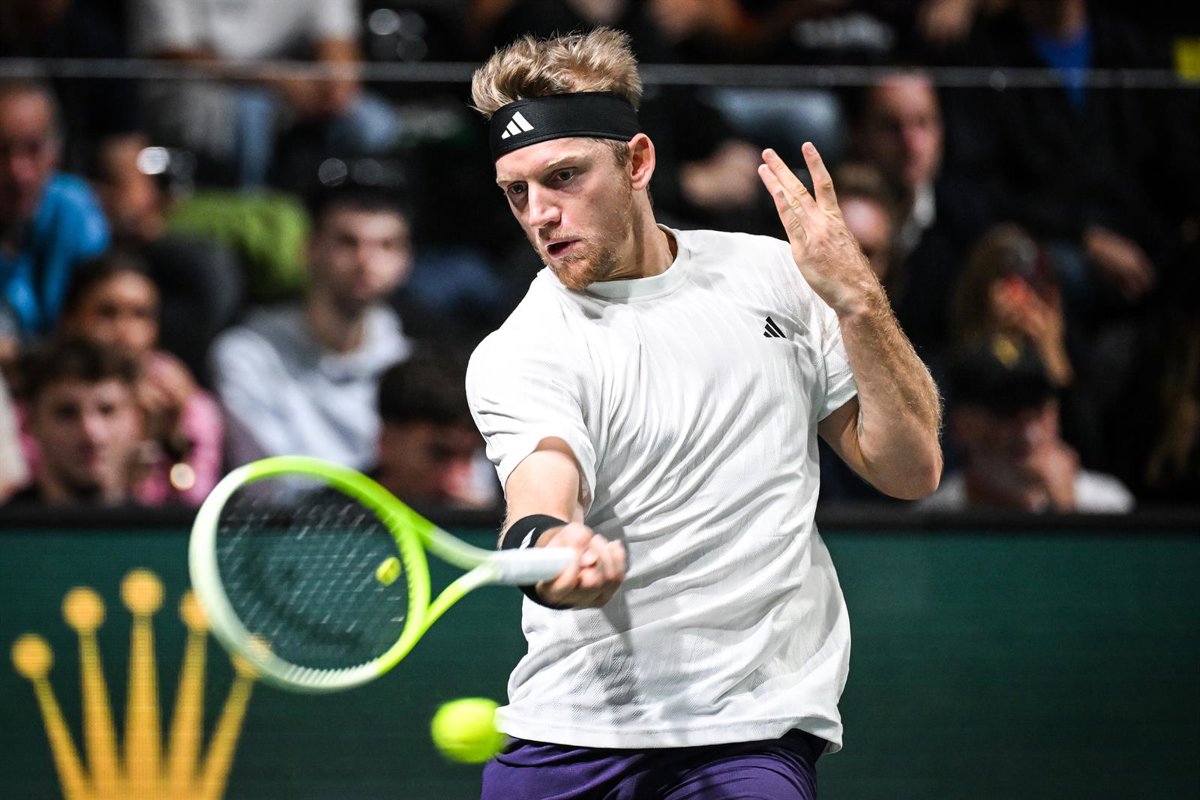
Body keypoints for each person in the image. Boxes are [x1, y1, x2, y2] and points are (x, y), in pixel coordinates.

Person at [464, 28, 942, 799]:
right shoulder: (522, 350)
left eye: (564, 176)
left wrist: (857, 299)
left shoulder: (777, 277)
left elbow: (910, 469)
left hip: (749, 730)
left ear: (638, 163)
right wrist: (556, 550)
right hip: (569, 731)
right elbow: (540, 497)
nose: (540, 213)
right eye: (517, 192)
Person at [210, 185, 413, 470]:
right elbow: (272, 482)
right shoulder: (247, 355)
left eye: (386, 245)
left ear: (406, 260)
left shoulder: (412, 365)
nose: (366, 261)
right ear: (308, 250)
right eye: (347, 242)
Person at [129, 0, 402, 188]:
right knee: (252, 109)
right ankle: (257, 211)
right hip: (197, 91)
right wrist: (277, 80)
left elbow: (338, 42)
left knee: (373, 121)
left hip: (293, 91)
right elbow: (174, 52)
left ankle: (349, 213)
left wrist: (335, 86)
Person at [843, 66, 993, 355]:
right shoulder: (835, 216)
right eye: (891, 126)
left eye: (922, 124)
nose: (910, 143)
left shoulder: (969, 221)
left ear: (941, 132)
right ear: (860, 133)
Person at [57, 252, 223, 506]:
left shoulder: (184, 402)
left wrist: (173, 442)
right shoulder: (45, 393)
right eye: (107, 313)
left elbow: (195, 498)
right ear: (71, 320)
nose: (124, 331)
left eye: (140, 314)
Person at [921, 336, 1133, 512]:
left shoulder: (1109, 506)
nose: (1027, 431)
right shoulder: (935, 520)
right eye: (1006, 409)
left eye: (1037, 409)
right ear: (961, 426)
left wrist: (1066, 511)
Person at [0, 78, 110, 360]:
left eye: (33, 149)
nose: (18, 171)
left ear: (55, 151)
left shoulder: (75, 210)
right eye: (1, 151)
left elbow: (100, 320)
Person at [7, 336, 145, 507]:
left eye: (107, 410)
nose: (91, 432)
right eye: (67, 413)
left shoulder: (167, 523)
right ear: (32, 423)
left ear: (137, 421)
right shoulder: (6, 523)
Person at [374, 348, 497, 510]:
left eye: (471, 455)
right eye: (440, 453)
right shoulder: (339, 515)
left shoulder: (503, 511)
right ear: (388, 442)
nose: (456, 481)